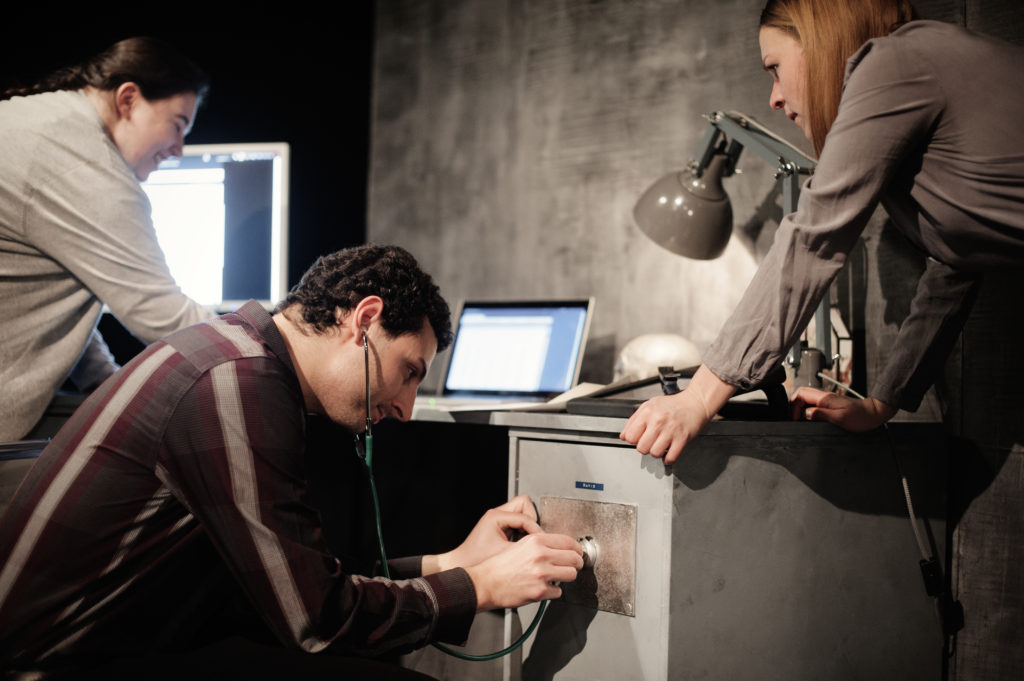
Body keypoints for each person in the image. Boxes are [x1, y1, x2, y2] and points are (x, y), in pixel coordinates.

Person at [0, 244, 583, 680]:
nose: (406, 408)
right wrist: (477, 585)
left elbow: (295, 579)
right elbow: (318, 623)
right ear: (364, 321)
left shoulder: (235, 356)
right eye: (409, 371)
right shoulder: (238, 384)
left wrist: (448, 562)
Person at [621, 0, 1024, 463]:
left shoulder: (894, 62)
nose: (773, 98)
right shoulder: (912, 103)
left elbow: (813, 237)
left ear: (819, 42)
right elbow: (952, 267)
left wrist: (698, 398)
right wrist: (880, 405)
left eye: (775, 68)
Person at [0, 36, 214, 443]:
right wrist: (277, 352)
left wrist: (104, 382)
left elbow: (55, 295)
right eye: (178, 125)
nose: (179, 150)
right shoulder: (83, 164)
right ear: (129, 99)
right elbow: (165, 316)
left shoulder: (45, 121)